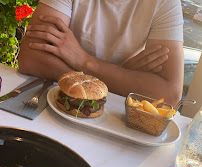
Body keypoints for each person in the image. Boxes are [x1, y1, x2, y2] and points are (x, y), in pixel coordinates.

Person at [18, 0, 184, 107]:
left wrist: (84, 61)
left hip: (113, 116)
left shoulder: (165, 3)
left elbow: (169, 94)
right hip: (53, 100)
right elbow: (31, 59)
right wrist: (122, 75)